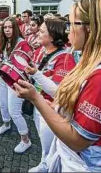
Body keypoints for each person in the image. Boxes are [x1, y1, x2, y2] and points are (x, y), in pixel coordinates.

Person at [14, 0, 101, 172]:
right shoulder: (98, 63)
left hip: (87, 165)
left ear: (92, 28)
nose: (67, 31)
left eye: (72, 24)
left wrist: (35, 98)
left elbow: (78, 140)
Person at [26, 18, 76, 172]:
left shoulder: (65, 57)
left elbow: (58, 90)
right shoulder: (40, 50)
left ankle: (49, 166)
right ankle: (44, 163)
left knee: (51, 144)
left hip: (53, 108)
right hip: (39, 103)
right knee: (43, 140)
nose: (37, 34)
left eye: (41, 31)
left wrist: (36, 74)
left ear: (53, 36)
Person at [0, 18, 33, 153]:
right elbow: (3, 61)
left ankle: (25, 140)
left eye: (10, 27)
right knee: (2, 104)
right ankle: (6, 124)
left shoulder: (22, 43)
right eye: (5, 28)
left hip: (15, 82)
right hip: (3, 78)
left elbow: (27, 65)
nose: (7, 30)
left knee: (14, 111)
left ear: (15, 28)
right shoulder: (6, 42)